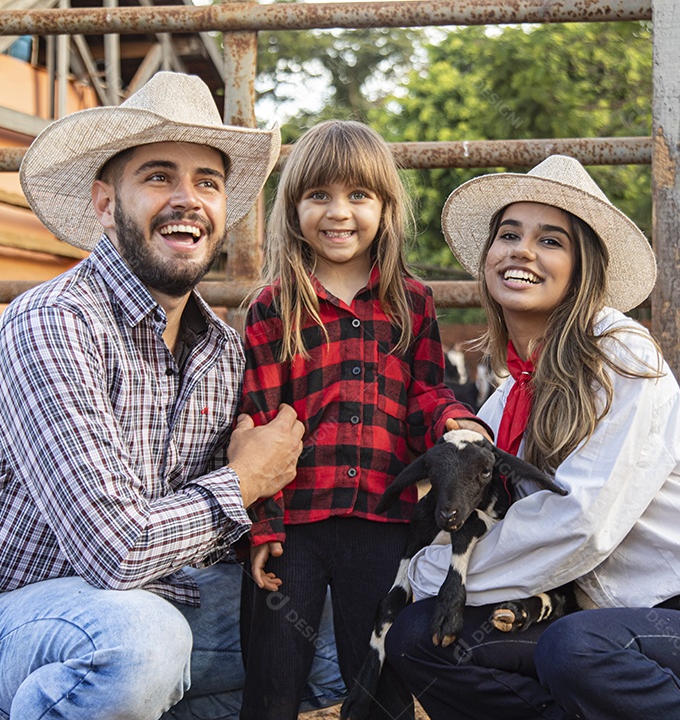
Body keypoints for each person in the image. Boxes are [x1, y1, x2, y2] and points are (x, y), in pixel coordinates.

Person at [0, 72, 345, 720]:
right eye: (159, 176)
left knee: (349, 629)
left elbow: (198, 540)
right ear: (107, 204)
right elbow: (114, 551)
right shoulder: (55, 322)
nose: (187, 199)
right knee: (140, 644)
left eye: (207, 182)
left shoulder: (221, 352)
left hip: (153, 595)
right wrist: (245, 477)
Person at [385, 155, 680, 720]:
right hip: (597, 627)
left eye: (550, 240)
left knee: (577, 647)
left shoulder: (622, 355)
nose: (522, 251)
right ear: (488, 256)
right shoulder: (507, 400)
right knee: (418, 635)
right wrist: (425, 583)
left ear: (582, 269)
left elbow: (584, 523)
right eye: (509, 234)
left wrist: (430, 574)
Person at [237, 119, 490, 720]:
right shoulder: (274, 305)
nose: (338, 212)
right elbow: (260, 419)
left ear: (385, 207)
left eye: (358, 196)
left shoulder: (412, 302)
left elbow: (423, 396)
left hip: (382, 519)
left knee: (376, 681)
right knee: (272, 682)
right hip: (293, 525)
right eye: (318, 195)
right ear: (293, 207)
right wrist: (264, 528)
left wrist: (457, 422)